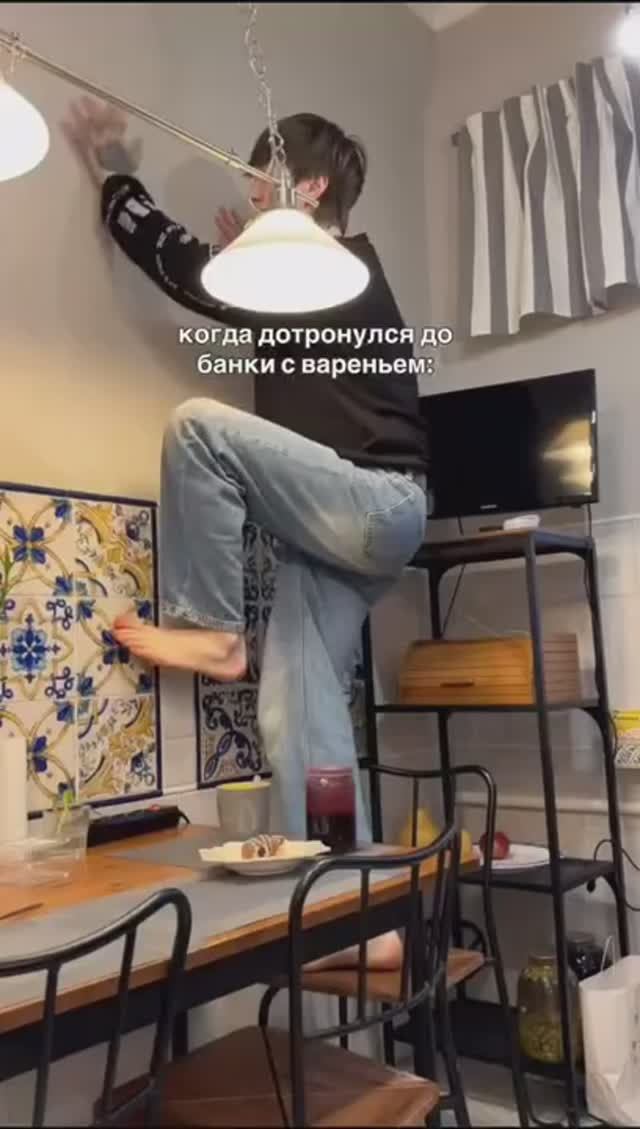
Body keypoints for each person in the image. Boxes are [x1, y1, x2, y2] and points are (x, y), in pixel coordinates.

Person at [62, 101, 428, 863]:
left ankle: (214, 632)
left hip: (375, 502)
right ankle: (344, 887)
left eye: (262, 179)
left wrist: (114, 177)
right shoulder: (318, 282)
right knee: (296, 711)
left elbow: (185, 270)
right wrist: (249, 263)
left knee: (198, 427)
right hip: (342, 531)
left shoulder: (335, 267)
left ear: (311, 189)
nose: (253, 193)